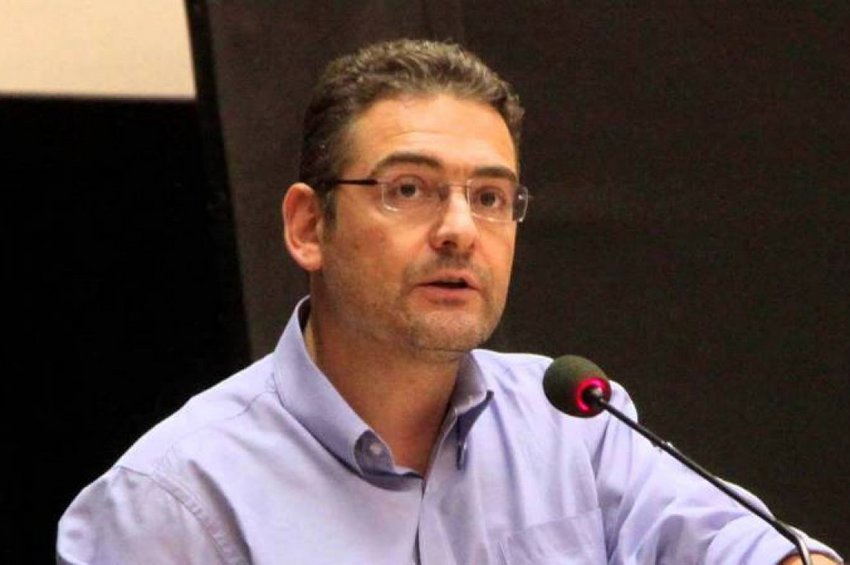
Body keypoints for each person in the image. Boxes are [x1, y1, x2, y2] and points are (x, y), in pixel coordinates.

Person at [57, 39, 840, 565]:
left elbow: (749, 545)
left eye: (490, 197)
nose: (460, 230)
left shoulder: (576, 425)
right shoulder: (176, 501)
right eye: (409, 189)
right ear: (308, 226)